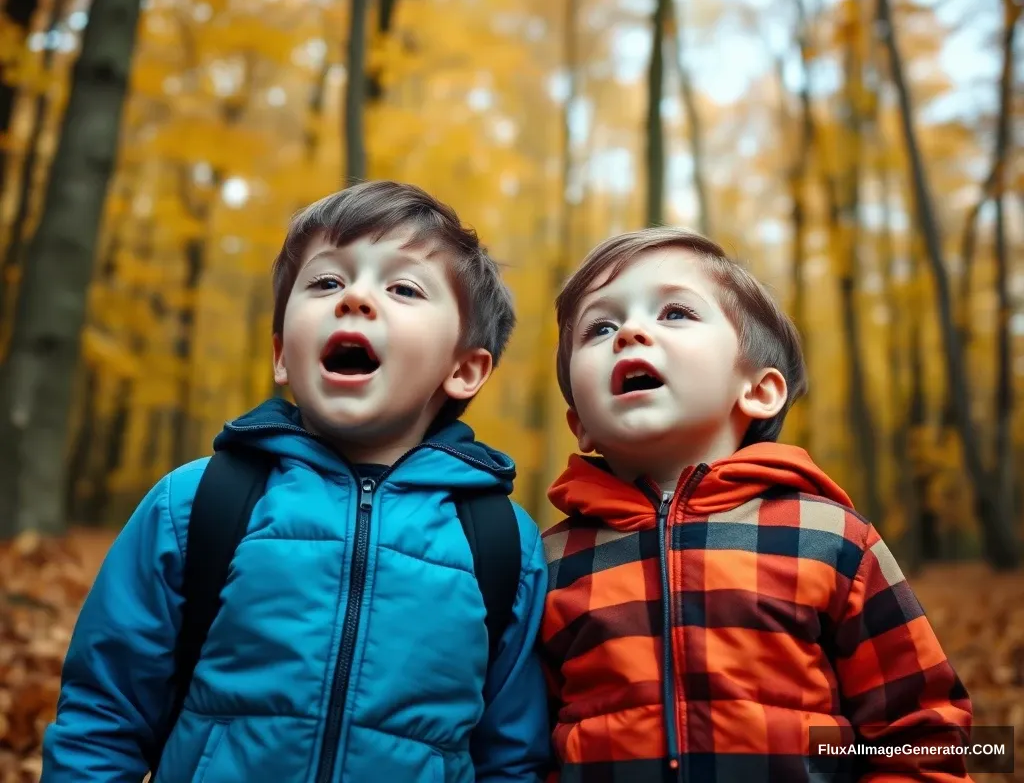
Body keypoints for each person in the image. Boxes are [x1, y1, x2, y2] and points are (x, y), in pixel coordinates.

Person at [43, 180, 551, 783]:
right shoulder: (197, 503)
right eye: (326, 282)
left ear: (464, 370)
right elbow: (103, 715)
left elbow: (512, 758)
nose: (356, 298)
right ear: (283, 355)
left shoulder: (500, 542)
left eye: (403, 288)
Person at [539, 227, 973, 782]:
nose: (630, 332)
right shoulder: (550, 562)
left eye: (674, 313)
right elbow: (526, 749)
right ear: (580, 425)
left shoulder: (830, 537)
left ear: (759, 390)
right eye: (600, 327)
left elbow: (926, 729)